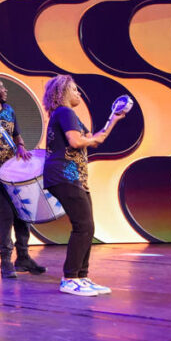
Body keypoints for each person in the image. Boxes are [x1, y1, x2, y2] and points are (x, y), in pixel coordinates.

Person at [41, 75, 124, 296]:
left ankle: (81, 277)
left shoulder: (68, 115)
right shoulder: (65, 112)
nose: (78, 93)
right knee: (83, 226)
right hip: (64, 175)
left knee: (88, 226)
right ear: (63, 92)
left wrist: (113, 119)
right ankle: (70, 278)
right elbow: (77, 141)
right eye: (74, 90)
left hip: (74, 176)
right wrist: (90, 140)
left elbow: (97, 138)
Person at [0, 77, 46, 277]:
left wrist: (21, 146)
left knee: (22, 212)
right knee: (4, 215)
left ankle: (23, 257)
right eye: (2, 87)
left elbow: (17, 134)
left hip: (13, 170)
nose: (5, 90)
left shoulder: (9, 111)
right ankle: (5, 261)